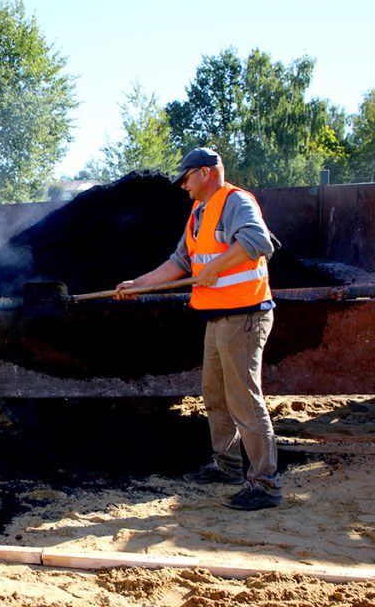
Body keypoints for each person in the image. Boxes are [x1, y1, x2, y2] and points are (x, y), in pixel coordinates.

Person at [115, 147, 280, 511]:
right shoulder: (198, 213)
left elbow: (259, 242)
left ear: (205, 172)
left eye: (186, 178)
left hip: (245, 315)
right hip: (217, 317)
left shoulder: (235, 201)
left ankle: (265, 484)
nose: (183, 186)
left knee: (244, 400)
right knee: (215, 395)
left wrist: (217, 266)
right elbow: (179, 262)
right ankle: (228, 466)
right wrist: (138, 284)